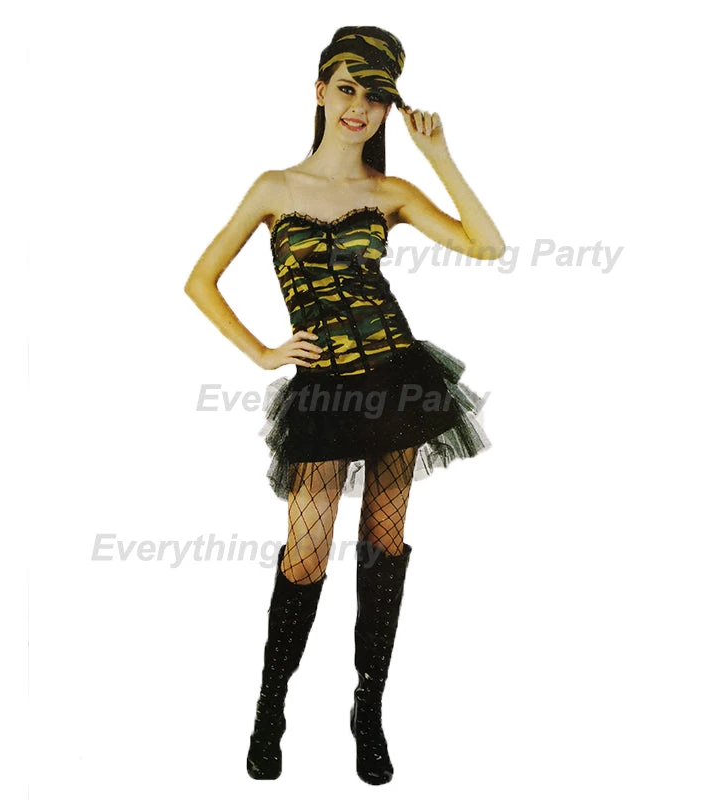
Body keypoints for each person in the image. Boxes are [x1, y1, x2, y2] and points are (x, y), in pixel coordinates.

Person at [184, 26, 504, 785]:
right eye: (348, 88)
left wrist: (438, 156)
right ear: (321, 90)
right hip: (323, 389)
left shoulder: (391, 193)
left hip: (396, 376)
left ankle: (369, 709)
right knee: (304, 554)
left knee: (383, 546)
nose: (359, 105)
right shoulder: (274, 187)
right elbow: (200, 280)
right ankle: (270, 708)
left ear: (390, 107)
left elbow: (487, 245)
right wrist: (263, 352)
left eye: (377, 95)